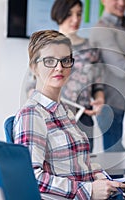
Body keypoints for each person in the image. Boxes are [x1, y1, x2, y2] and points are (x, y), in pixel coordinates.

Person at [13, 30, 125, 199]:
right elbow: (30, 178)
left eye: (65, 60)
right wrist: (88, 191)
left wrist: (108, 182)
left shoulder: (65, 111)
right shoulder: (31, 115)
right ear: (33, 67)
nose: (59, 67)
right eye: (49, 61)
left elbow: (82, 165)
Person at [25, 0, 105, 152]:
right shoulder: (46, 46)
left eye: (79, 14)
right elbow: (31, 86)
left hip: (83, 119)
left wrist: (99, 100)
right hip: (53, 118)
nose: (75, 19)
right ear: (59, 14)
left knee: (84, 166)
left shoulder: (91, 49)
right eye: (69, 14)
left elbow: (97, 85)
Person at [89, 0, 125, 152]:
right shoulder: (101, 29)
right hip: (112, 109)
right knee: (118, 168)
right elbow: (122, 68)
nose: (122, 3)